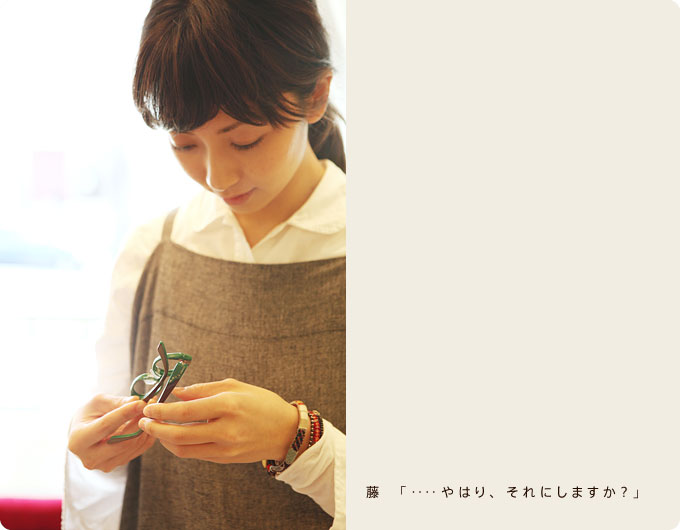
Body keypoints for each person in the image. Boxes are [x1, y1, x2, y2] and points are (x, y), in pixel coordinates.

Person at [63, 1, 346, 528]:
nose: (217, 176)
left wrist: (296, 440)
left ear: (316, 96)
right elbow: (119, 481)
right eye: (184, 144)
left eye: (245, 140)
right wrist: (96, 448)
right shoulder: (152, 252)